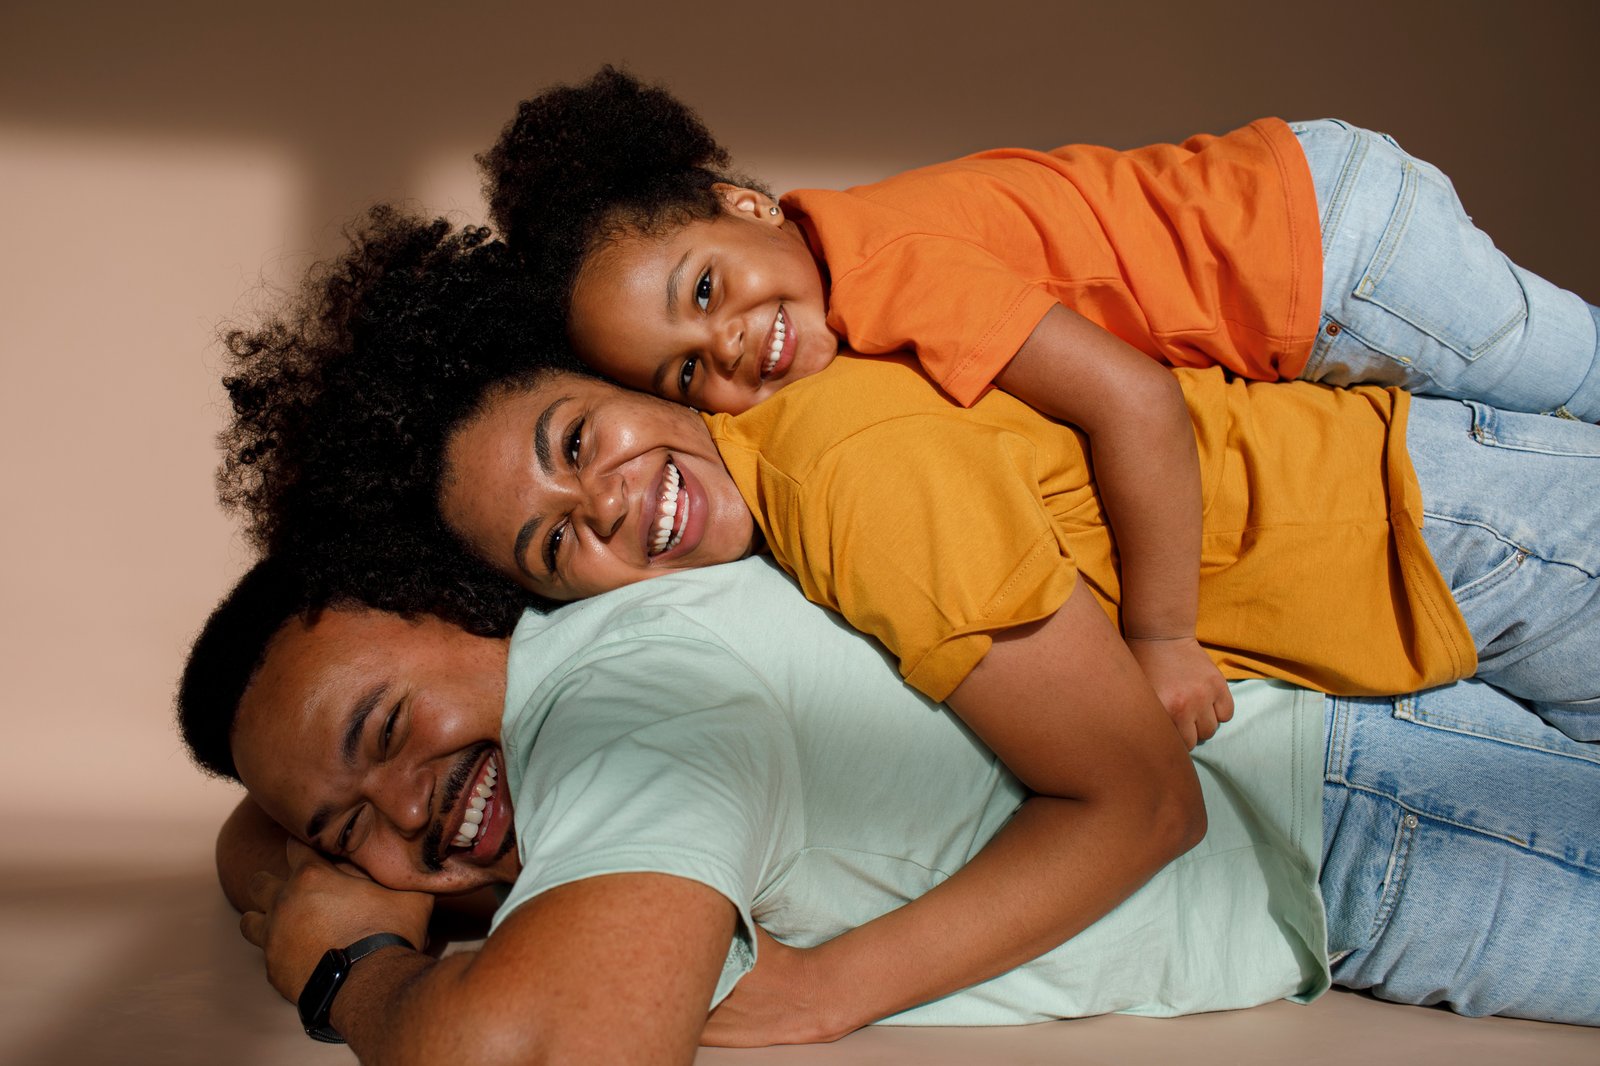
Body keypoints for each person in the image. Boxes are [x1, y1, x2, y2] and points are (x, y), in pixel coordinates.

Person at [479, 67, 1600, 731]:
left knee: (1579, 375)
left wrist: (1162, 637)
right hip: (1305, 260)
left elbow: (1136, 403)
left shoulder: (887, 270)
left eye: (705, 290)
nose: (726, 348)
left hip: (1333, 244)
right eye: (684, 373)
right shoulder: (841, 281)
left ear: (746, 204)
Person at [179, 554, 1600, 1063]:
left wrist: (349, 968)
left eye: (386, 730)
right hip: (1356, 801)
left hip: (1374, 827)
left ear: (456, 602)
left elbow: (554, 1054)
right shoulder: (590, 683)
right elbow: (256, 839)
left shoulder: (620, 712)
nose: (404, 812)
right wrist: (315, 845)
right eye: (344, 824)